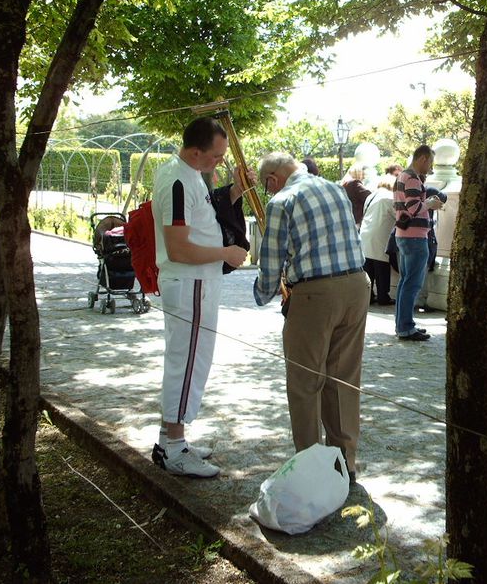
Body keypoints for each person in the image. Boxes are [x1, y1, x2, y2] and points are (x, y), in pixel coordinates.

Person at [253, 152, 368, 483]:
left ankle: (310, 467)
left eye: (266, 187)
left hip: (316, 294)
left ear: (272, 180)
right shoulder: (334, 188)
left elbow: (271, 263)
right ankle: (344, 464)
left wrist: (261, 294)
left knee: (305, 382)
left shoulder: (282, 200)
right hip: (357, 286)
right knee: (343, 379)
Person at [151, 117, 249, 478]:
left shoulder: (190, 175)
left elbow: (204, 218)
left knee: (192, 359)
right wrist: (225, 254)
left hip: (198, 283)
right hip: (189, 281)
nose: (220, 162)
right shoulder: (177, 180)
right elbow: (178, 248)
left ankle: (171, 439)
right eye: (216, 156)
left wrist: (235, 191)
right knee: (187, 362)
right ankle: (173, 448)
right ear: (195, 151)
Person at [393, 145, 444, 341]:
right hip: (415, 236)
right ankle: (406, 327)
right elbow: (414, 208)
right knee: (412, 284)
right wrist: (431, 203)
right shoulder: (412, 178)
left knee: (405, 282)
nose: (430, 167)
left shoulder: (402, 176)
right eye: (430, 162)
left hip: (403, 234)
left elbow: (405, 206)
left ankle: (402, 325)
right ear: (422, 159)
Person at [359, 174, 396, 305]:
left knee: (368, 267)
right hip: (380, 235)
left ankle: (368, 296)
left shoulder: (371, 196)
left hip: (365, 234)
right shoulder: (390, 197)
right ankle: (383, 296)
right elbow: (398, 215)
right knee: (382, 267)